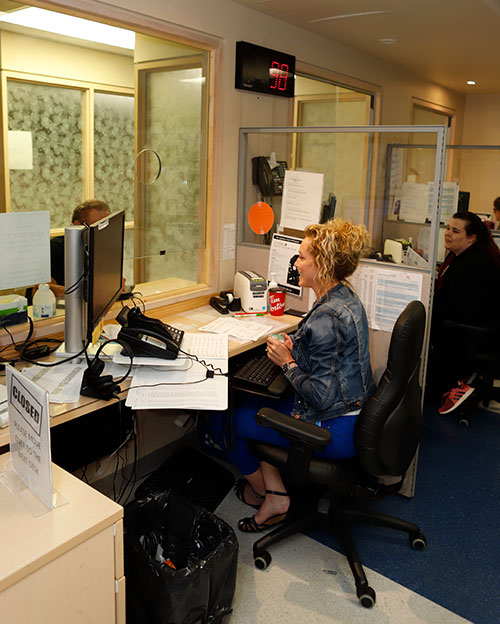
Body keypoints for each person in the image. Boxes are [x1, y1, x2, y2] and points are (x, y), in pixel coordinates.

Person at [206, 219, 376, 533]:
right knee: (244, 398)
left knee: (221, 420)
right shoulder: (343, 297)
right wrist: (295, 348)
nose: (295, 263)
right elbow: (331, 359)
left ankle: (271, 497)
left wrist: (287, 363)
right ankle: (275, 491)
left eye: (302, 257)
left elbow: (320, 396)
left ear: (322, 264)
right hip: (352, 411)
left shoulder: (329, 316)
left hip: (334, 427)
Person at [428, 211, 500, 412]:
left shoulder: (474, 265)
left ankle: (459, 383)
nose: (448, 233)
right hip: (465, 329)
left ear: (472, 237)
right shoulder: (459, 256)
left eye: (455, 231)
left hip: (470, 335)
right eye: (448, 228)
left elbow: (460, 310)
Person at [47, 199, 111, 299]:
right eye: (96, 225)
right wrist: (88, 293)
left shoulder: (102, 247)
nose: (103, 232)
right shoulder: (55, 248)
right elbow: (43, 290)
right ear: (78, 225)